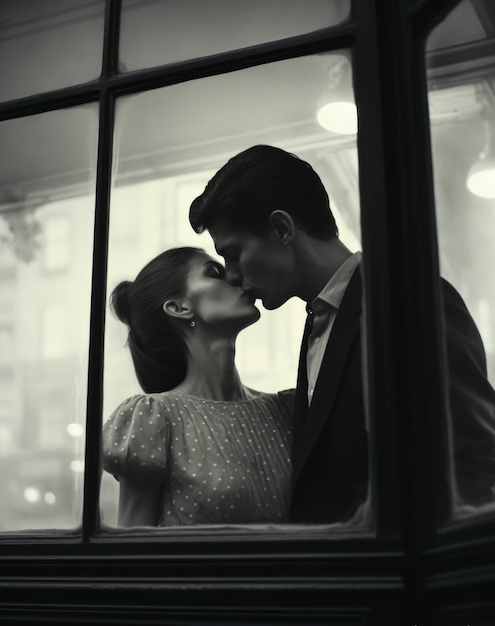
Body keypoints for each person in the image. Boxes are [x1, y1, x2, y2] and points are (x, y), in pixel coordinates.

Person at [189, 144, 495, 523]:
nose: (232, 275)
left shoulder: (408, 299)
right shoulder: (318, 324)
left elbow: (472, 463)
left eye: (233, 253)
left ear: (282, 229)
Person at [102, 247, 294, 527]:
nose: (236, 277)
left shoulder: (285, 412)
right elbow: (131, 554)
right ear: (179, 308)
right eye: (215, 273)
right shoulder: (154, 418)